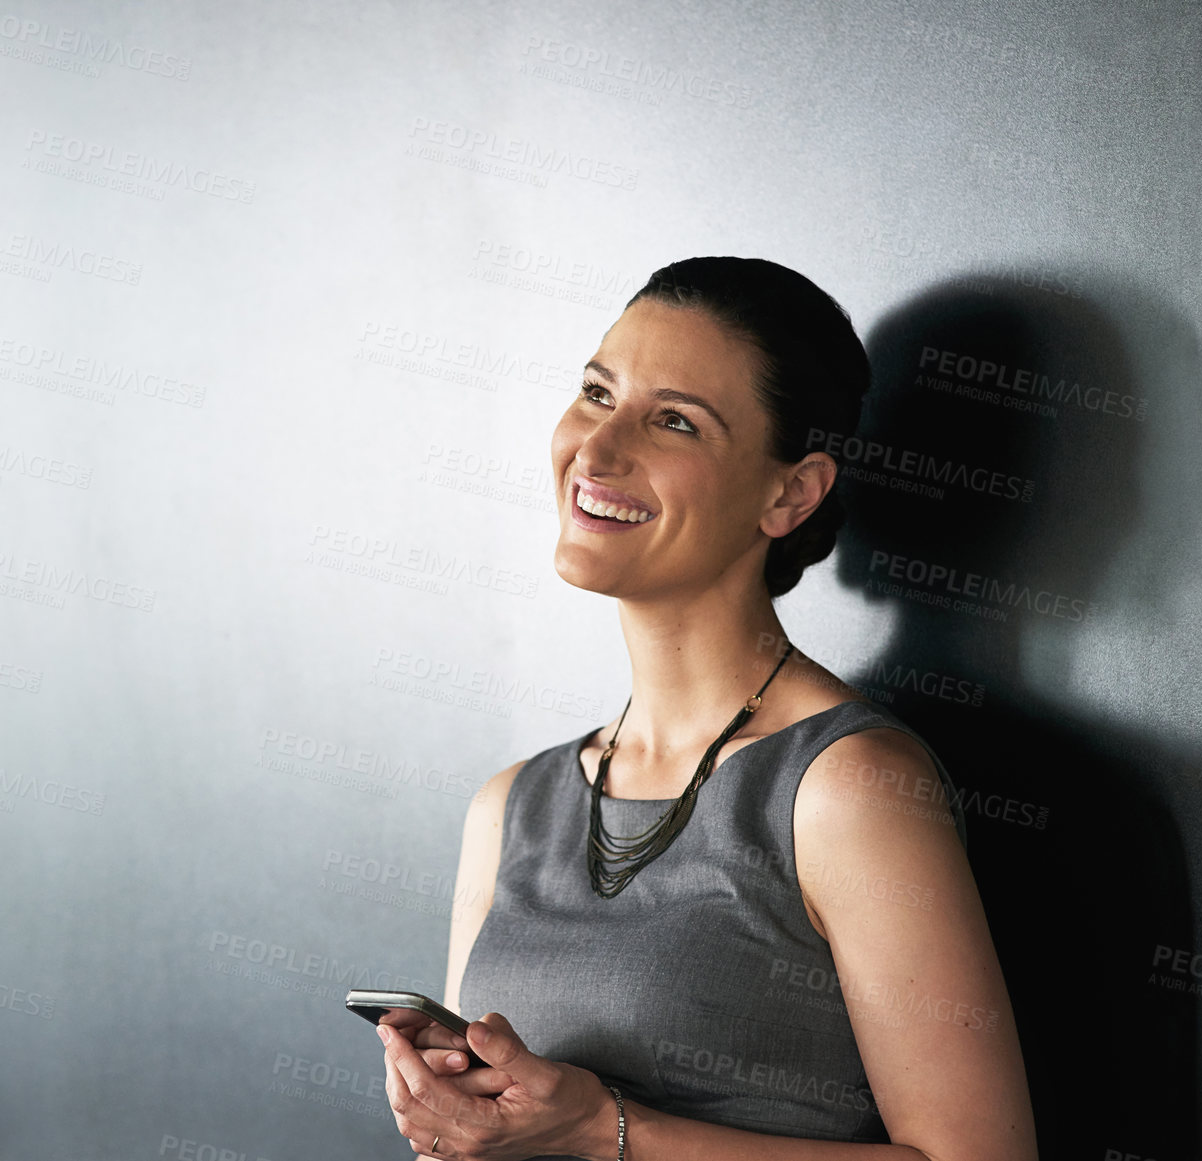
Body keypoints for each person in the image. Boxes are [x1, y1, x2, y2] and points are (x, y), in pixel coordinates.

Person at [371, 257, 1038, 1161]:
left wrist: (607, 1130)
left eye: (674, 420)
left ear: (790, 492)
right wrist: (461, 1126)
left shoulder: (848, 788)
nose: (597, 451)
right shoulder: (509, 805)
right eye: (597, 392)